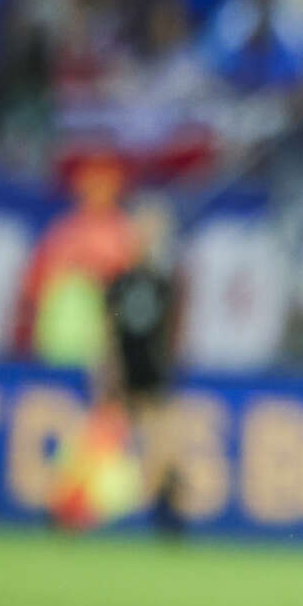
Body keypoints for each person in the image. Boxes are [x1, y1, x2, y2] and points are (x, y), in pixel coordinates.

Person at [102, 196, 184, 532]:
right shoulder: (119, 283)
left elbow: (169, 334)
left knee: (161, 447)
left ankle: (167, 515)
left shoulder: (164, 283)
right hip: (124, 373)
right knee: (103, 446)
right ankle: (75, 508)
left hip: (153, 374)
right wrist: (107, 371)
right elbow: (108, 334)